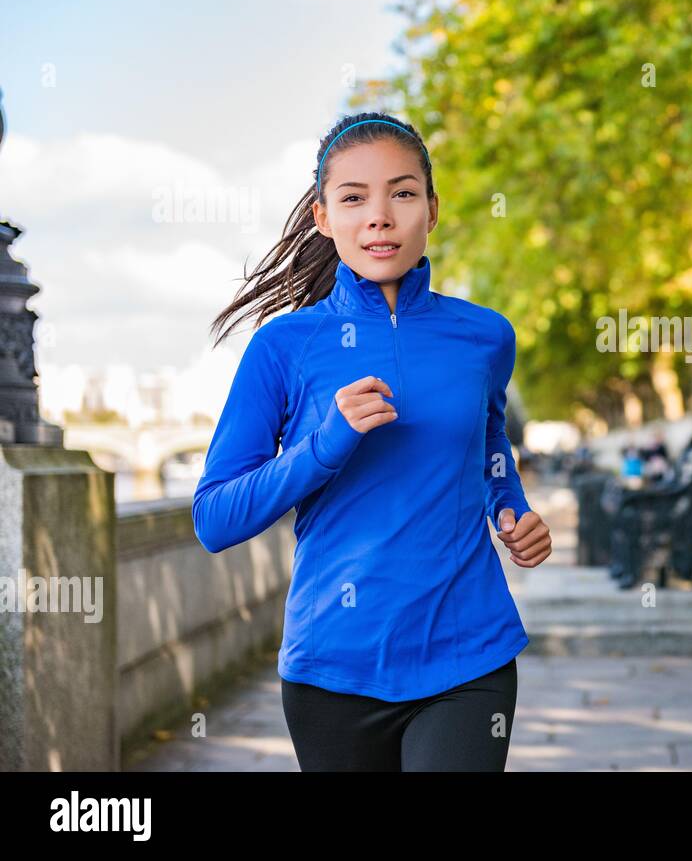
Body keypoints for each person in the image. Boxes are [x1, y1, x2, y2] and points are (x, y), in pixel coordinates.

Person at [192, 112, 552, 771]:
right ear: (324, 218)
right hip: (333, 666)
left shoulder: (486, 335)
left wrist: (511, 506)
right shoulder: (282, 347)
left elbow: (489, 437)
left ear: (432, 209)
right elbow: (215, 518)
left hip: (468, 654)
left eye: (403, 193)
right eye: (354, 198)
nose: (379, 216)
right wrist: (327, 442)